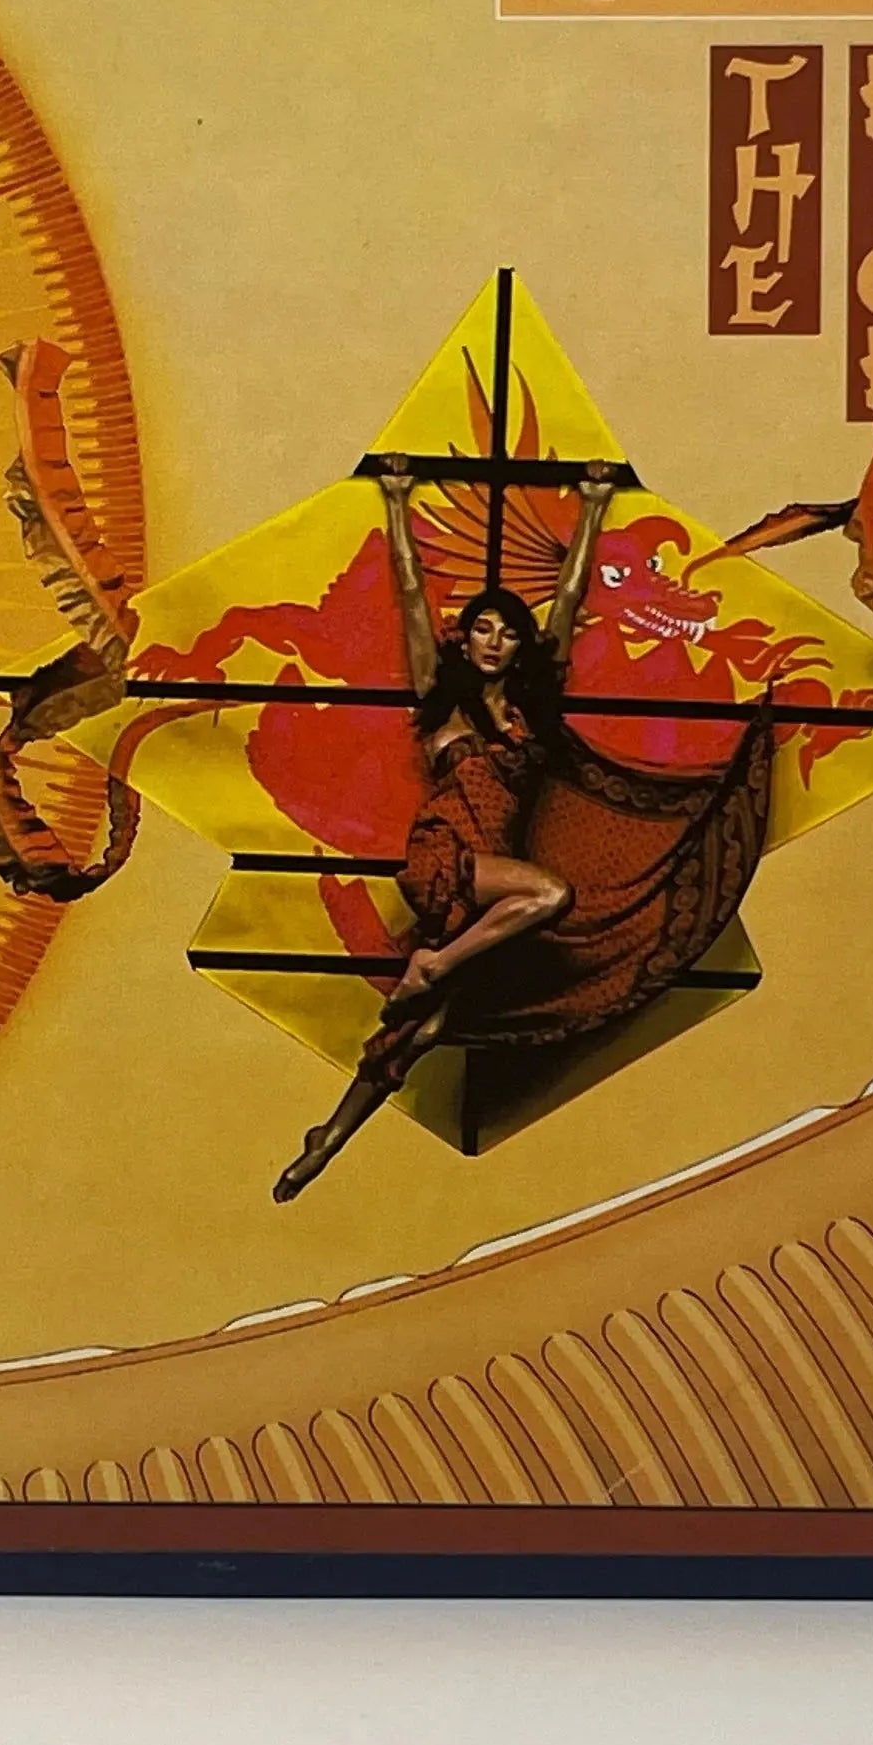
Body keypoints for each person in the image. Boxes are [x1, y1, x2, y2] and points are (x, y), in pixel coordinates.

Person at [272, 455, 619, 1202]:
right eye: (482, 628)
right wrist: (398, 499)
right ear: (465, 638)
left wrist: (593, 505)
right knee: (551, 895)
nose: (493, 641)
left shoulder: (532, 708)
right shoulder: (441, 697)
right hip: (445, 859)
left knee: (423, 1033)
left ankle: (327, 1137)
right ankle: (431, 964)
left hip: (493, 886)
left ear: (520, 645)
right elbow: (408, 591)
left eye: (507, 633)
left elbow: (567, 597)